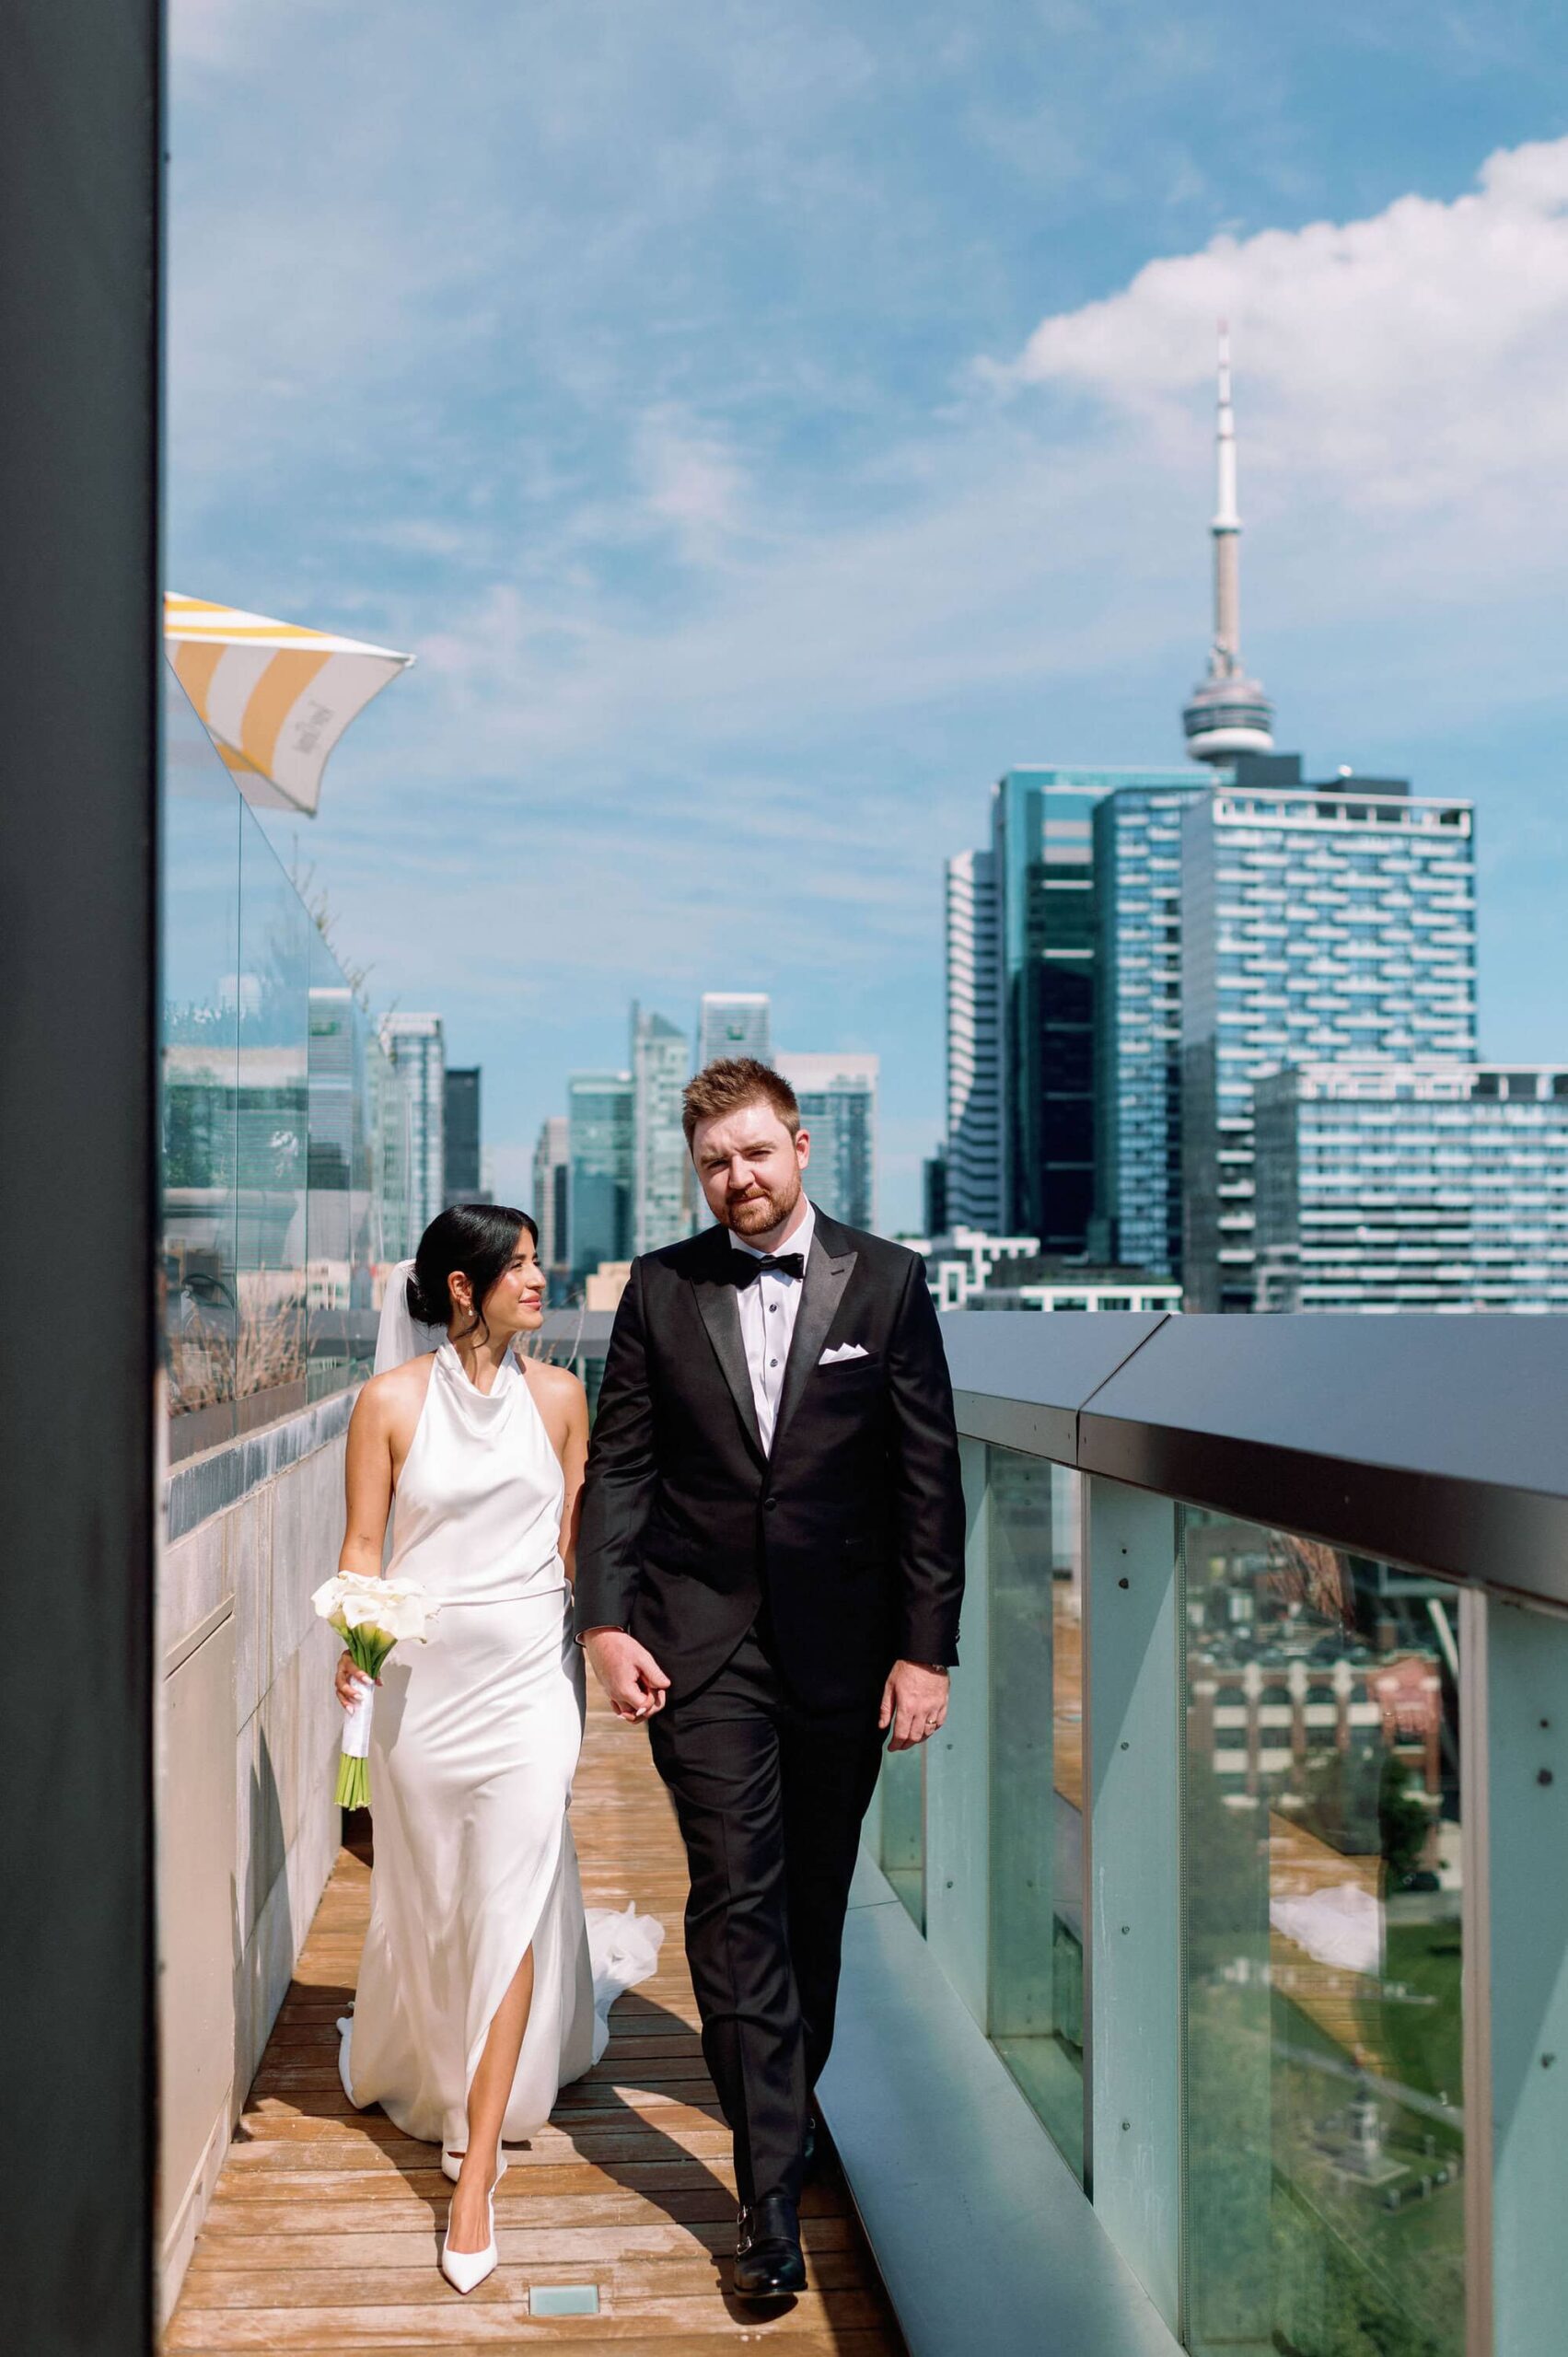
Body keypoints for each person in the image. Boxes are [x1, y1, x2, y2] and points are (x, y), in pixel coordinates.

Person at [575, 1059, 965, 2304]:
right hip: (700, 1646)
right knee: (735, 1899)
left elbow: (924, 1483)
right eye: (712, 1165)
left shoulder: (890, 1283)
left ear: (798, 1146)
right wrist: (603, 1623)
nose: (734, 1179)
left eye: (752, 1154)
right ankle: (765, 2205)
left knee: (808, 1911)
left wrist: (924, 1649)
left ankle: (786, 2121)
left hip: (847, 1652)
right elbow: (621, 1472)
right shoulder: (657, 1289)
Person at [331, 1204, 661, 2295]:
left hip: (528, 1685)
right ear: (461, 1286)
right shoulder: (387, 1403)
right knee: (435, 1895)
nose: (539, 1277)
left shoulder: (562, 1398)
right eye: (518, 1265)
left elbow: (579, 1543)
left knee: (513, 1891)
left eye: (537, 1260)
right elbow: (366, 1549)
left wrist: (608, 1644)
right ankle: (428, 2065)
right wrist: (357, 1650)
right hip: (423, 1694)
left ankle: (473, 2170)